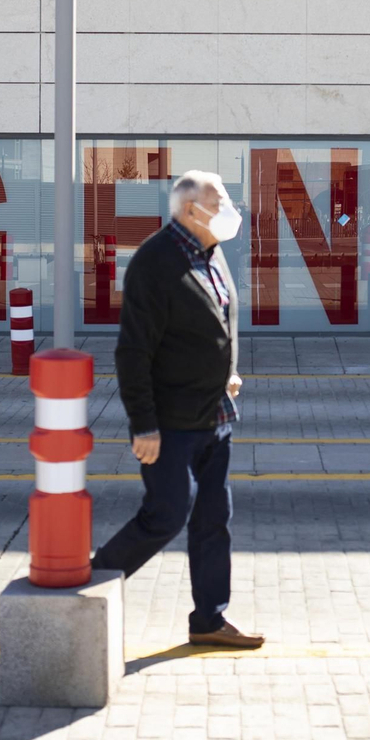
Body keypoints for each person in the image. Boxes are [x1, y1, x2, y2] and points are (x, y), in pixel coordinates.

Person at [90, 170, 264, 649]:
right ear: (191, 210)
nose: (231, 208)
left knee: (214, 521)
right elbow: (134, 351)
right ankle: (88, 583)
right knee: (165, 515)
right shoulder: (155, 263)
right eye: (221, 200)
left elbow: (224, 319)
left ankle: (209, 619)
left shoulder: (212, 254)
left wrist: (227, 369)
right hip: (171, 423)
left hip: (216, 416)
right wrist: (142, 423)